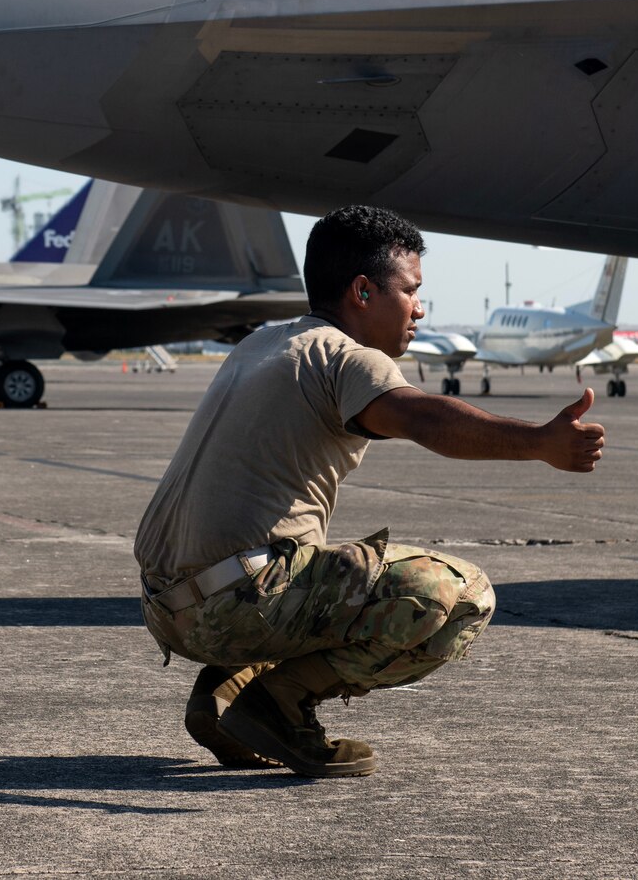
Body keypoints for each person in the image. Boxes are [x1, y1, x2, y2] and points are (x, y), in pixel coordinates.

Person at [134, 205, 607, 778]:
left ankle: (227, 694)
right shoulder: (345, 357)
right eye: (411, 291)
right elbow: (422, 418)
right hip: (238, 606)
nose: (419, 308)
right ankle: (277, 705)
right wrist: (539, 442)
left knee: (322, 576)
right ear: (363, 291)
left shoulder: (260, 344)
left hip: (166, 606)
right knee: (457, 594)